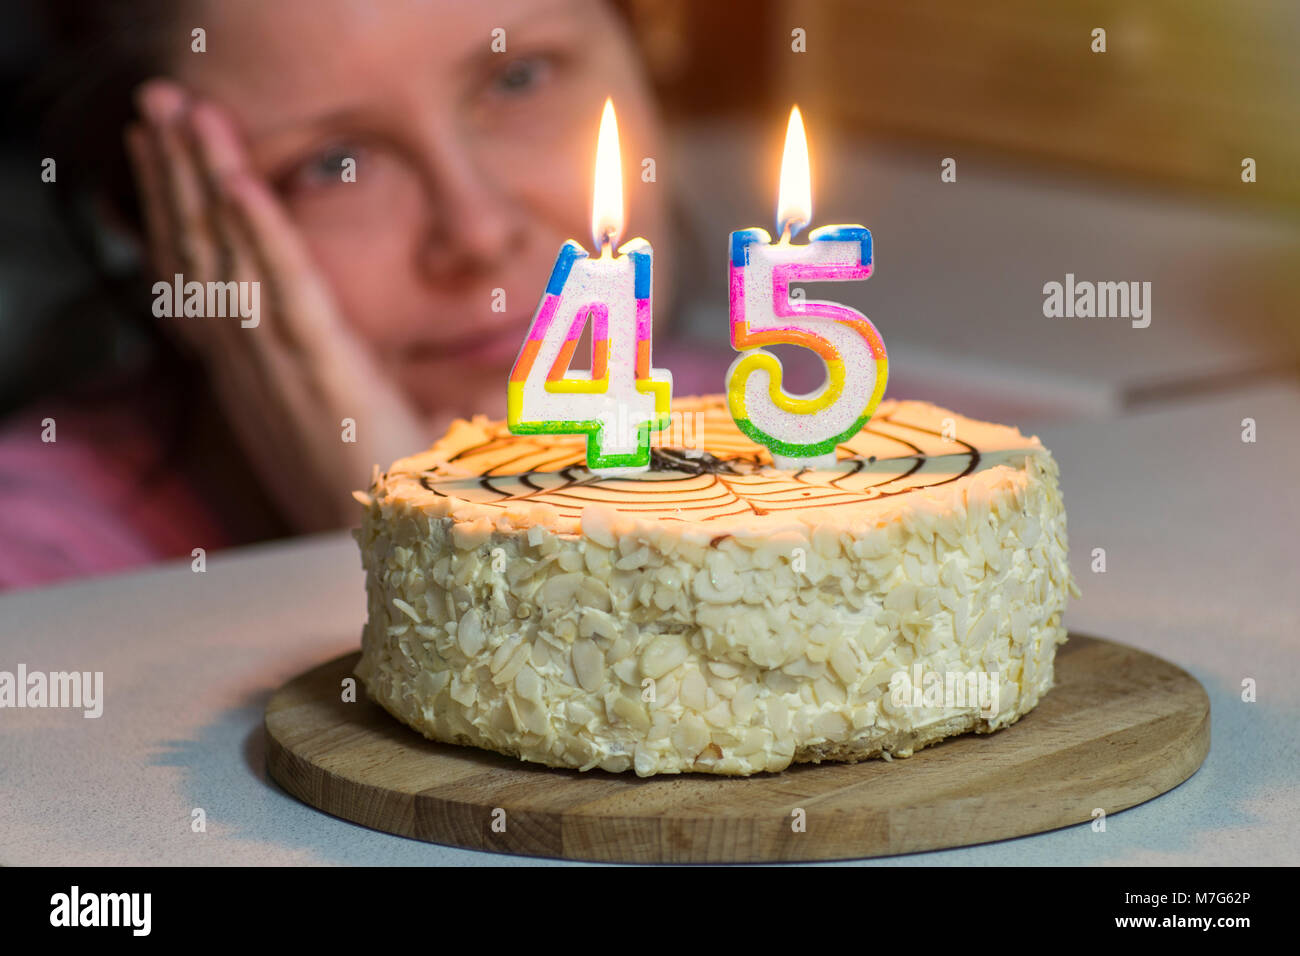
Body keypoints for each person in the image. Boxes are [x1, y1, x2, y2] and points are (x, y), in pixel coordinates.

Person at [1, 0, 707, 590]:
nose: (479, 232)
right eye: (333, 164)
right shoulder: (43, 589)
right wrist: (394, 551)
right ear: (161, 239)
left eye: (519, 78)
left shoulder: (750, 425)